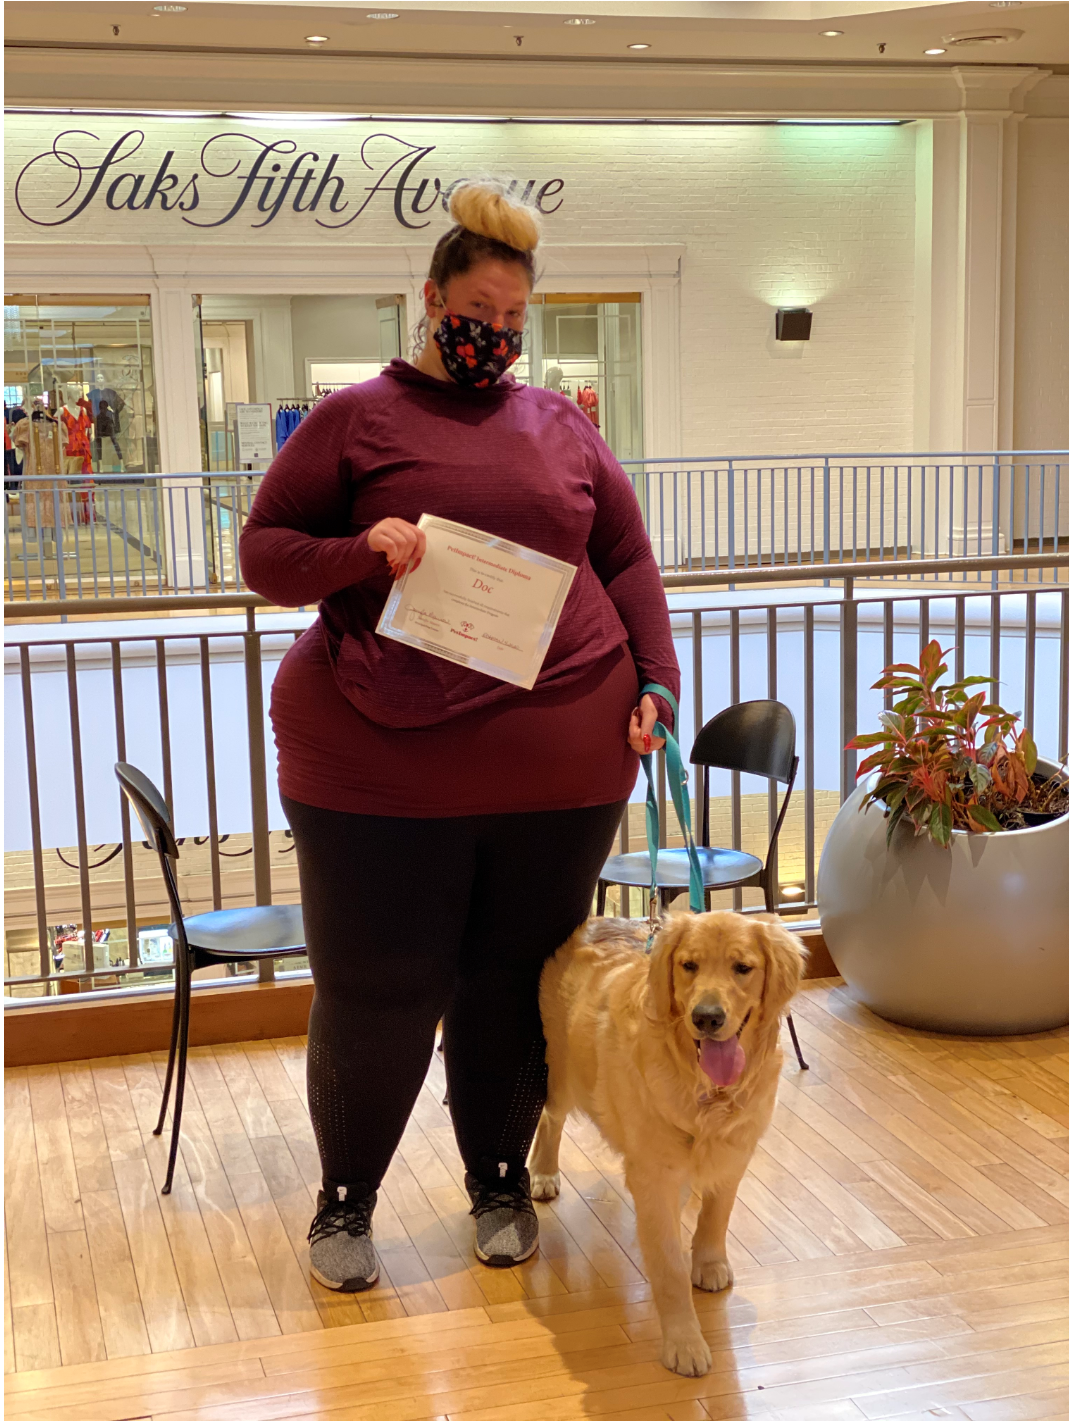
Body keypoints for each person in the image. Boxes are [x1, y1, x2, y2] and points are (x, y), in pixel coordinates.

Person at [238, 178, 679, 1294]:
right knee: (379, 986)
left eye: (519, 323)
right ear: (431, 299)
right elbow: (265, 553)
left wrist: (657, 679)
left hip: (562, 768)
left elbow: (624, 557)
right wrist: (361, 549)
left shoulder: (561, 424)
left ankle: (495, 1175)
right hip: (377, 772)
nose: (499, 338)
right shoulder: (357, 419)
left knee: (509, 980)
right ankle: (346, 1203)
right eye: (482, 313)